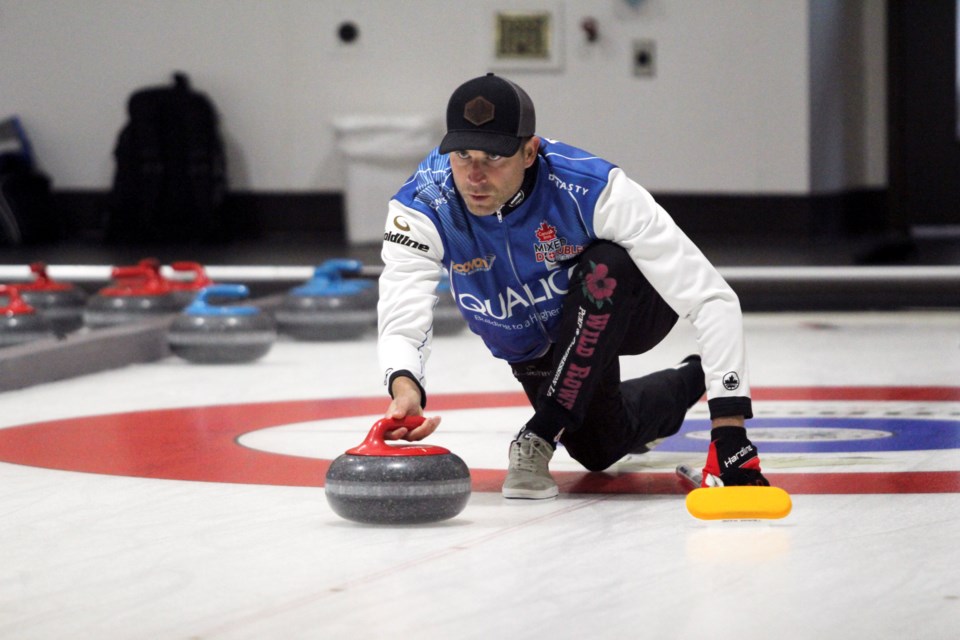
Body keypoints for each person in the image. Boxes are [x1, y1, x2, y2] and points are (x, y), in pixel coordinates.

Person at [377, 73, 769, 499]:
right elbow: (402, 315)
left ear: (530, 152)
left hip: (629, 308)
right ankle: (692, 377)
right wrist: (405, 386)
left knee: (607, 265)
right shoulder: (423, 205)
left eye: (493, 158)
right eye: (463, 155)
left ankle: (540, 433)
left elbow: (711, 297)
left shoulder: (592, 188)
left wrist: (729, 428)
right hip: (534, 344)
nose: (474, 176)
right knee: (600, 448)